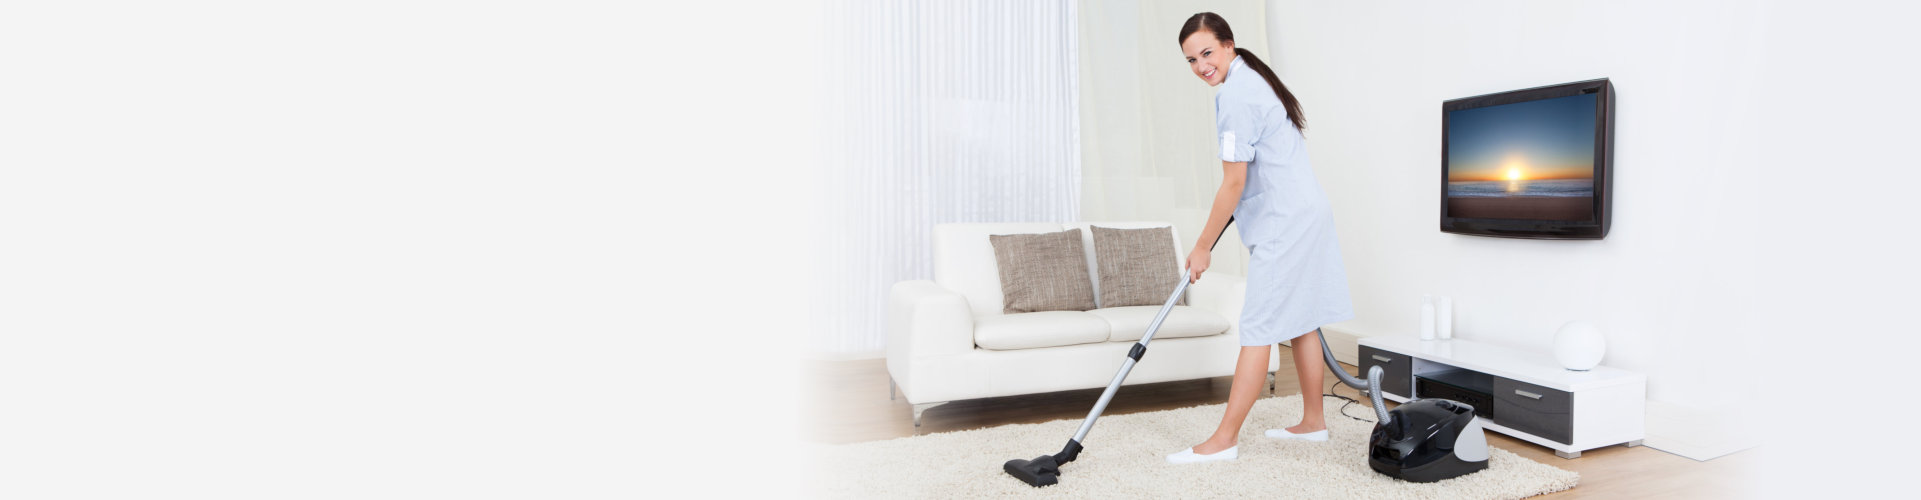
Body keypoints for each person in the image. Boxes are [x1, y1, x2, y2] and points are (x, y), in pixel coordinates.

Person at [1165, 12, 1356, 465]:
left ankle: (1225, 439)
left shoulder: (1237, 95)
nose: (1201, 66)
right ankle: (1313, 422)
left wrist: (1202, 246)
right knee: (1302, 319)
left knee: (1258, 329)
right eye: (1191, 59)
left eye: (1207, 53)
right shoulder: (1253, 78)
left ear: (1229, 45)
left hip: (1286, 223)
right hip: (1305, 212)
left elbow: (1233, 183)